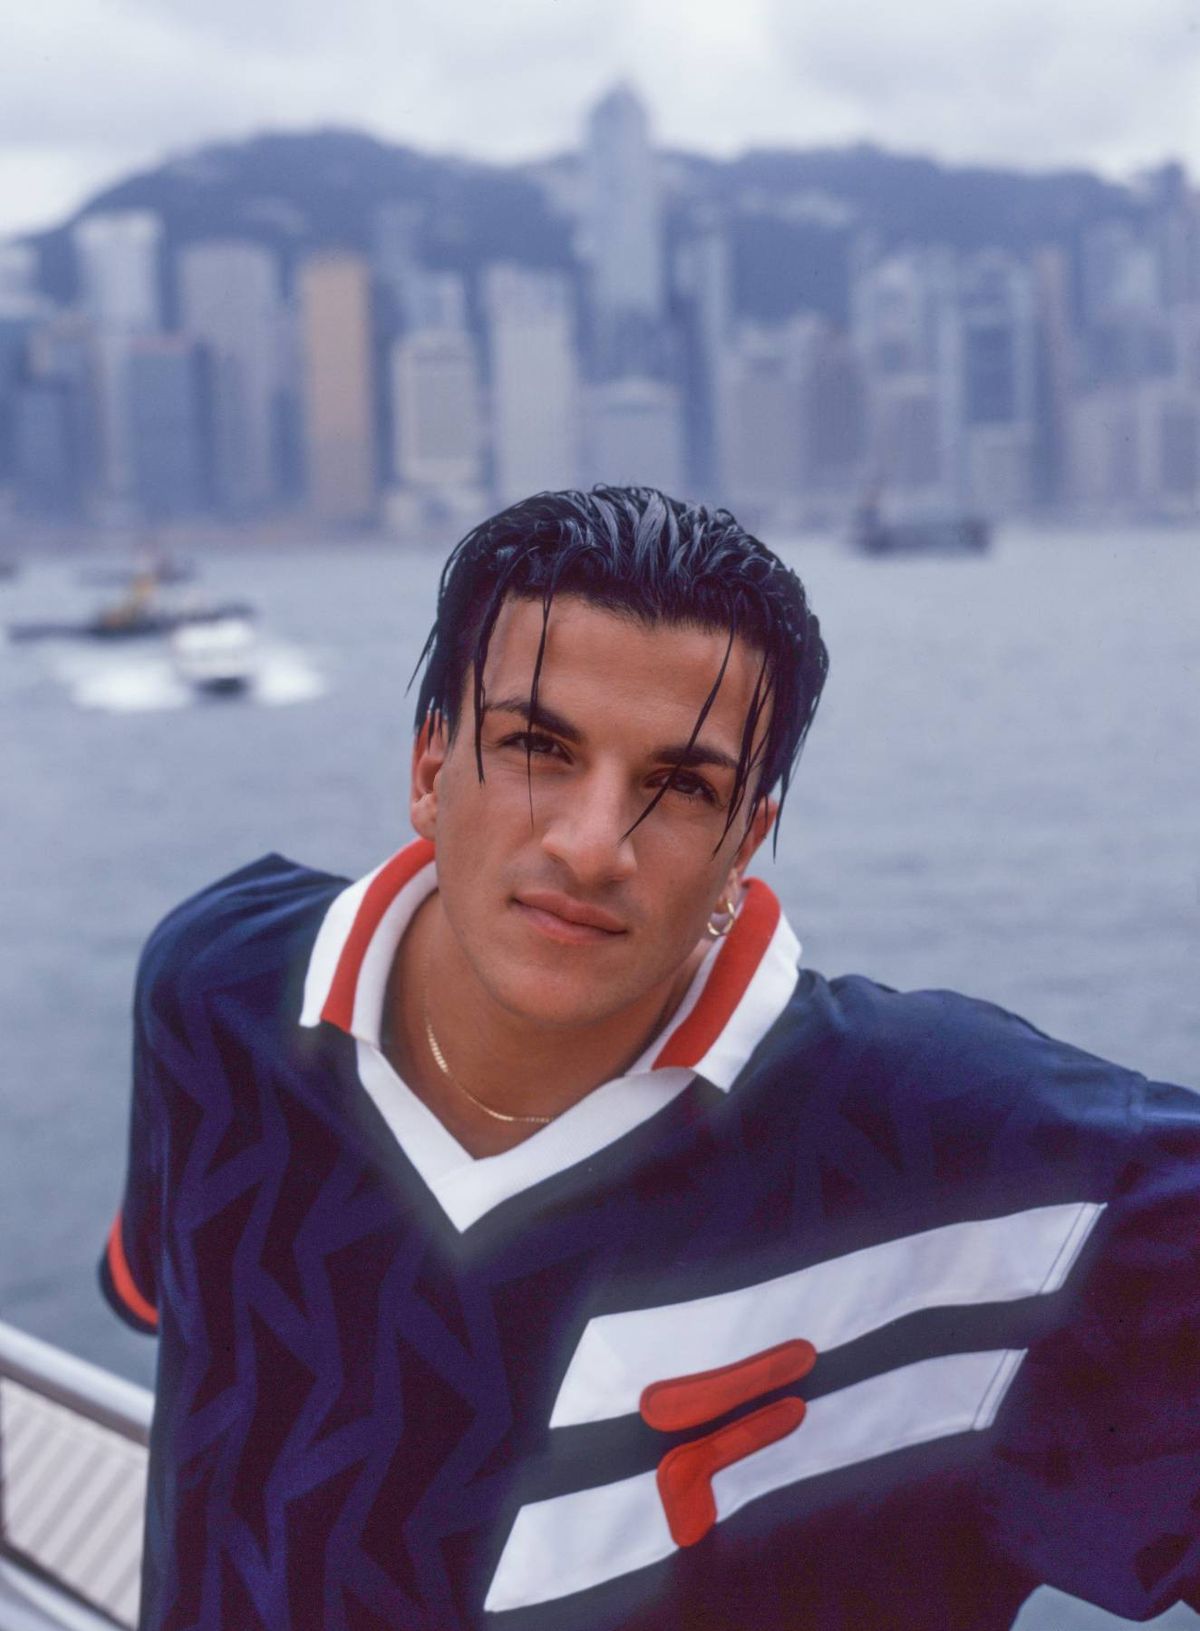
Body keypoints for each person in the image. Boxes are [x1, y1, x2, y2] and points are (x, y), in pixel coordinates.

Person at [101, 486, 1199, 1631]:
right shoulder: (220, 981)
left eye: (680, 787)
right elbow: (172, 1302)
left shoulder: (983, 1163)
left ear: (747, 842)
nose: (590, 845)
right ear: (431, 765)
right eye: (536, 744)